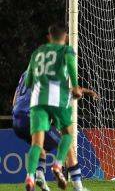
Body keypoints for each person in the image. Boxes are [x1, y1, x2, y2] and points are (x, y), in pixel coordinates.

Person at [24, 23, 85, 191]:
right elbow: (72, 66)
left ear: (48, 36)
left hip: (37, 102)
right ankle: (58, 165)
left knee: (37, 144)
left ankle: (30, 176)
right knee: (68, 135)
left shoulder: (36, 53)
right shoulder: (66, 51)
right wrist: (75, 86)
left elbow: (28, 81)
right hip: (58, 99)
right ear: (65, 37)